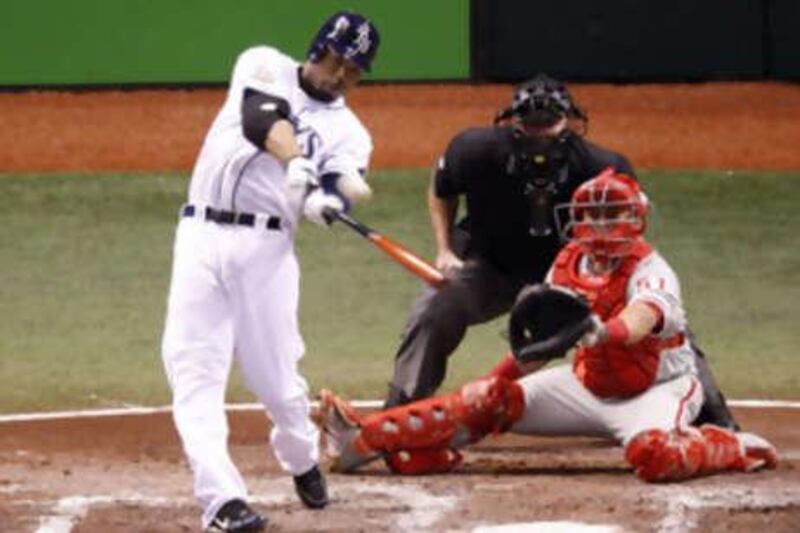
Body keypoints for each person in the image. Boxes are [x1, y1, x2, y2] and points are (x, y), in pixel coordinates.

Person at [321, 170, 778, 480]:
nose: (600, 224)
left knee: (654, 457)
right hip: (586, 387)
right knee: (488, 400)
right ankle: (362, 436)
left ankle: (731, 446)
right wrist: (492, 380)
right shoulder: (568, 263)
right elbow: (540, 343)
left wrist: (602, 330)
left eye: (611, 213)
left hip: (656, 390)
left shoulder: (651, 269)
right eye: (592, 214)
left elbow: (642, 320)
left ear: (634, 218)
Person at [384, 73, 740, 433]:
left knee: (664, 318)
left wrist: (621, 285)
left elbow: (628, 235)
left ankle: (714, 416)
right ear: (512, 121)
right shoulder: (473, 150)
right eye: (530, 122)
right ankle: (400, 412)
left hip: (572, 275)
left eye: (550, 123)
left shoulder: (601, 166)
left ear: (569, 121)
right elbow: (441, 187)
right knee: (434, 309)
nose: (540, 134)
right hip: (488, 265)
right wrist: (444, 250)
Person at [160, 11, 379, 532]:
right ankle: (223, 501)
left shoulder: (352, 134)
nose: (342, 75)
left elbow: (341, 182)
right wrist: (295, 163)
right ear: (318, 47)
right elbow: (262, 120)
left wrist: (322, 202)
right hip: (199, 236)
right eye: (337, 61)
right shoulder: (262, 63)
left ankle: (301, 456)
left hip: (266, 253)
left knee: (277, 382)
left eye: (356, 70)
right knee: (193, 370)